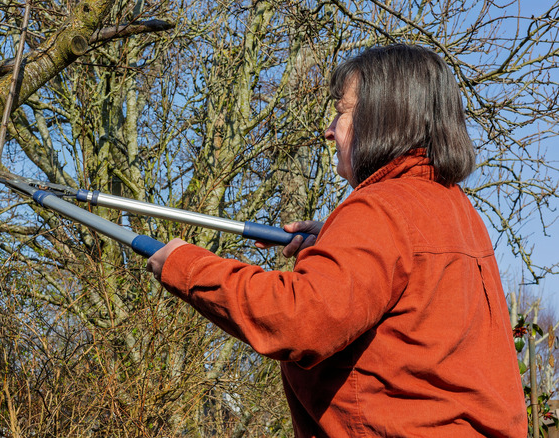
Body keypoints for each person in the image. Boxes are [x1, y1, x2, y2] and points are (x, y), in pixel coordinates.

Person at [146, 44, 527, 437]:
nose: (328, 130)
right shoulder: (457, 211)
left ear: (383, 115)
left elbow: (299, 321)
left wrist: (186, 266)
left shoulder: (380, 210)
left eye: (341, 111)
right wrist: (334, 242)